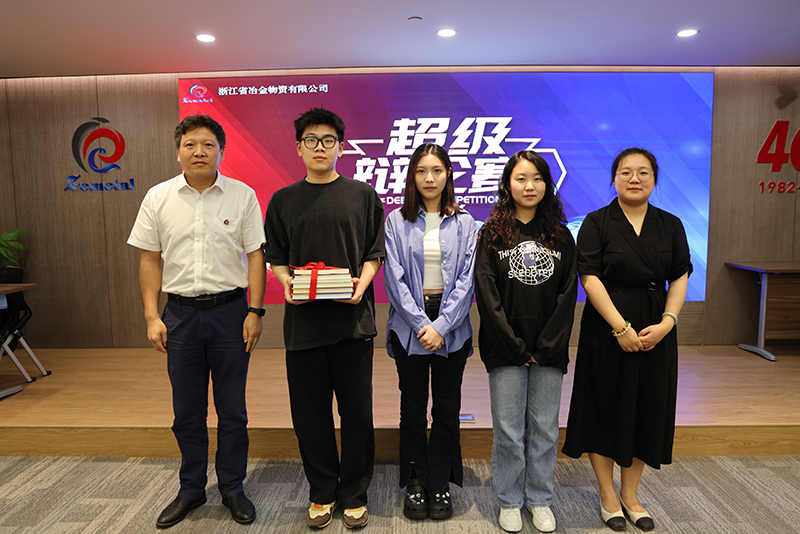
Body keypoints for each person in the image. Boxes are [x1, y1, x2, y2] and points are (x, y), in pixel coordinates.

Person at [128, 114, 266, 528]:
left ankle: (232, 488)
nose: (199, 151)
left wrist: (255, 311)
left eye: (208, 144)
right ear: (179, 152)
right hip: (180, 316)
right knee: (186, 411)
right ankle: (190, 489)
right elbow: (149, 258)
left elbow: (256, 256)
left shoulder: (242, 196)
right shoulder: (158, 197)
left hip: (231, 314)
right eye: (190, 144)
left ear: (221, 151)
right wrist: (152, 315)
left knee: (232, 410)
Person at [263, 107, 385, 530]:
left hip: (353, 325)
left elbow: (374, 252)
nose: (320, 147)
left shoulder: (363, 195)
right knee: (309, 415)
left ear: (340, 147)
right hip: (304, 327)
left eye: (328, 140)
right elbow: (276, 256)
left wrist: (362, 284)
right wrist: (286, 283)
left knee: (357, 414)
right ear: (298, 147)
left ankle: (354, 493)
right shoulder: (283, 200)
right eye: (311, 140)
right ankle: (321, 491)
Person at [562, 148, 692, 532]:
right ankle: (607, 494)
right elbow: (589, 277)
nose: (635, 179)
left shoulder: (671, 224)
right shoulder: (597, 222)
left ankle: (631, 495)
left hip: (656, 328)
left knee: (646, 409)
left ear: (654, 178)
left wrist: (668, 322)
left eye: (643, 172)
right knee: (604, 406)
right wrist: (620, 327)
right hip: (607, 326)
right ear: (614, 178)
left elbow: (679, 276)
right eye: (626, 172)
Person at [475, 151, 577, 533]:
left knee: (545, 429)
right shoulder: (492, 235)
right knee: (507, 430)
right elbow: (487, 295)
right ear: (507, 184)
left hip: (550, 350)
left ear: (547, 185)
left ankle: (540, 499)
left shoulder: (561, 236)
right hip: (505, 350)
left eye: (537, 178)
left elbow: (568, 295)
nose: (529, 186)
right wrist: (516, 347)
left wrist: (546, 345)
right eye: (521, 178)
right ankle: (509, 501)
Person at [383, 143, 478, 521]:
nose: (429, 178)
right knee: (412, 407)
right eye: (421, 171)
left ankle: (440, 481)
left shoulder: (465, 223)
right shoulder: (396, 220)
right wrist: (423, 324)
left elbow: (467, 280)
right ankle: (416, 481)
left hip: (451, 324)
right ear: (412, 176)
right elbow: (394, 279)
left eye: (437, 170)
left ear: (448, 174)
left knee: (447, 408)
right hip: (410, 324)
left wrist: (441, 325)